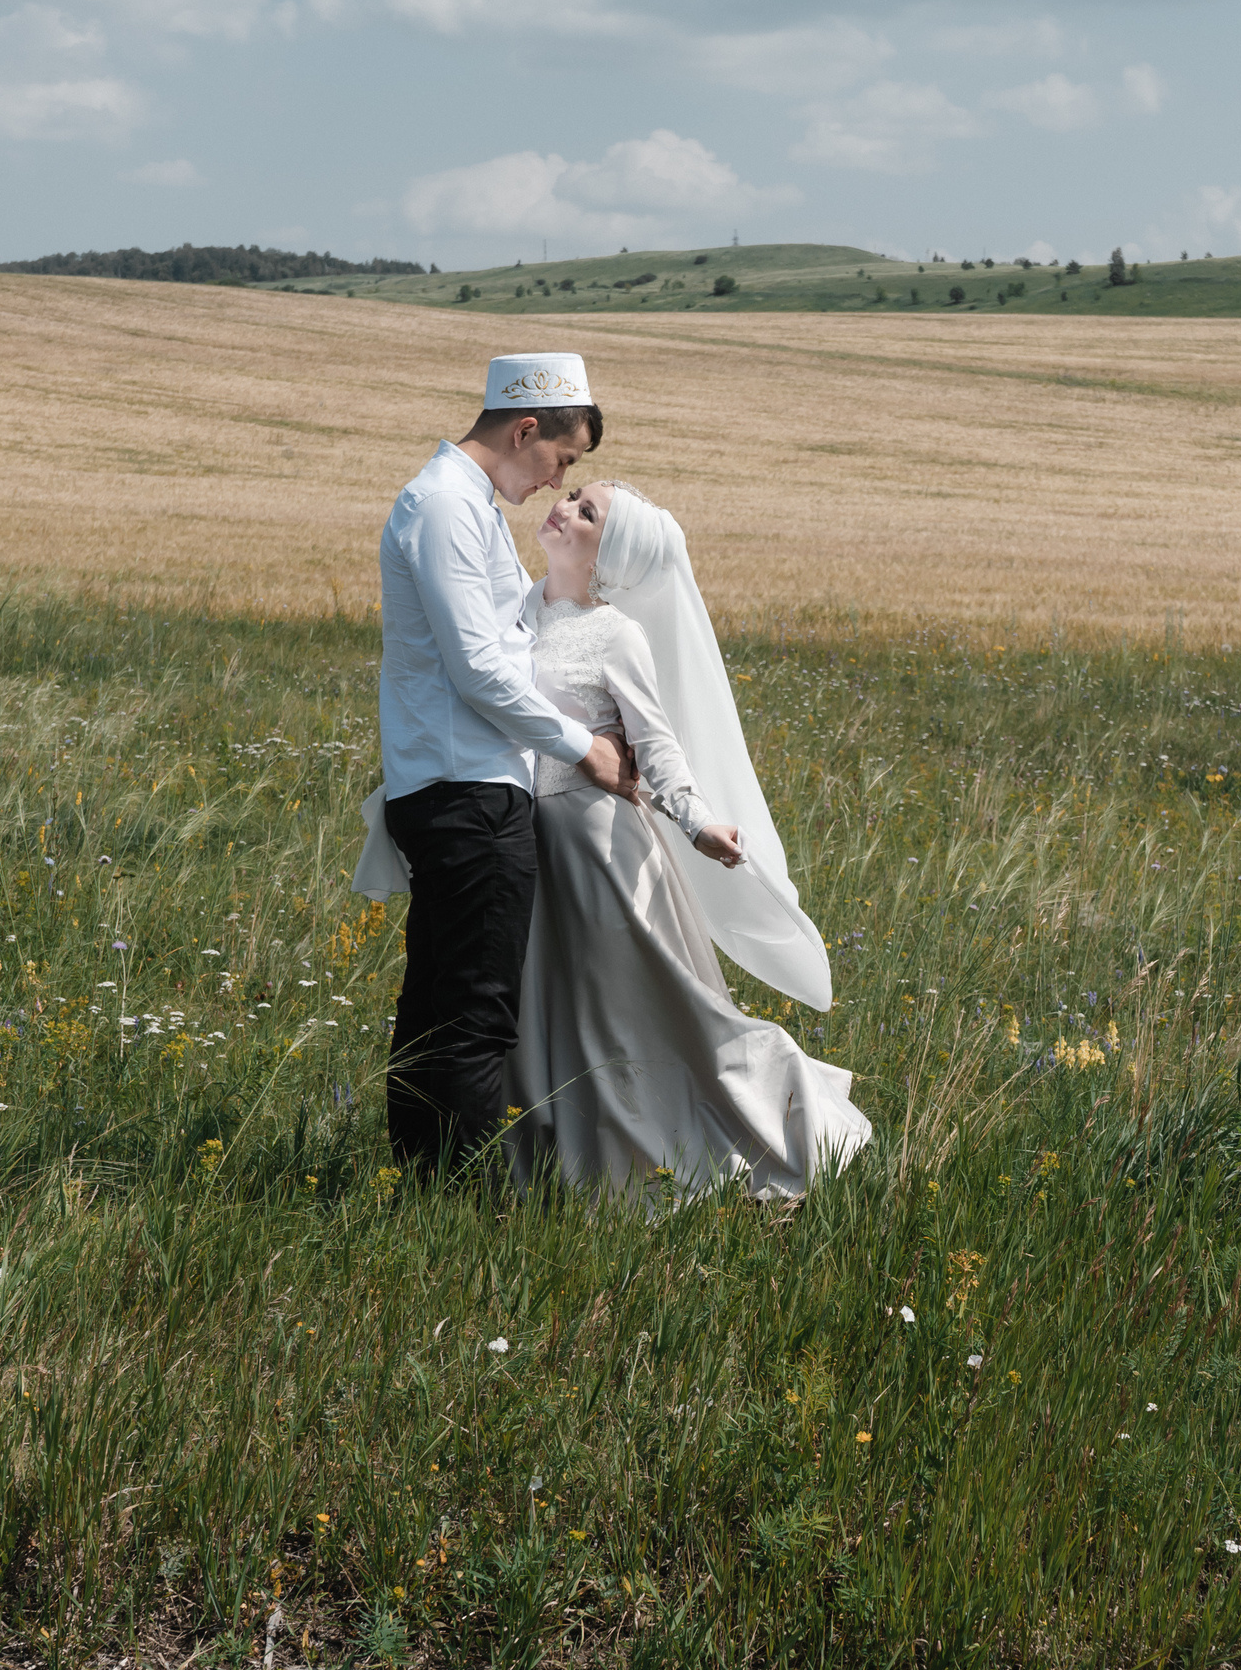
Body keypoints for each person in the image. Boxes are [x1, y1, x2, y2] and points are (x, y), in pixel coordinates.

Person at [500, 478, 871, 1200]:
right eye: (573, 494)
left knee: (632, 1015)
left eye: (587, 513)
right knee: (544, 1006)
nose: (565, 507)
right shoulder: (514, 609)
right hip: (531, 844)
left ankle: (756, 1122)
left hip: (602, 852)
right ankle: (548, 1162)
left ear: (606, 560)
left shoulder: (616, 634)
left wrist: (697, 822)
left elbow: (657, 745)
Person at [363, 352, 638, 1179]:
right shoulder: (445, 507)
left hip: (458, 789)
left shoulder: (462, 505)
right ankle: (470, 1206)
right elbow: (478, 667)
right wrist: (584, 747)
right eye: (564, 458)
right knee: (476, 1017)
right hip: (466, 793)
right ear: (526, 428)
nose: (560, 481)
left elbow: (517, 635)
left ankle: (416, 1185)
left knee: (436, 1007)